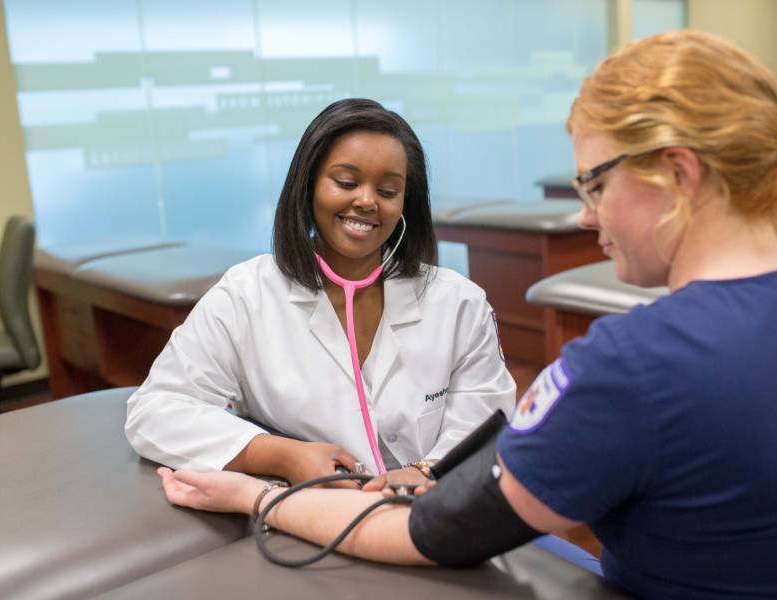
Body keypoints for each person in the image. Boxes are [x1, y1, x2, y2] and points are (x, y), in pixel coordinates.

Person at [156, 31, 777, 599]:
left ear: (679, 174)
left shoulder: (629, 366)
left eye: (595, 182)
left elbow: (440, 530)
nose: (584, 213)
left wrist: (253, 497)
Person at [126, 98, 515, 490]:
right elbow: (155, 411)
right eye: (346, 182)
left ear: (405, 203)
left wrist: (425, 470)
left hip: (435, 505)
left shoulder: (459, 302)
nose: (366, 200)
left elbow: (488, 416)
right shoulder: (246, 296)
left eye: (387, 189)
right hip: (316, 514)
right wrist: (283, 455)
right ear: (308, 185)